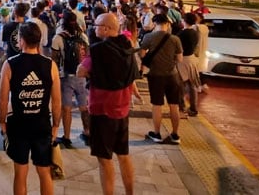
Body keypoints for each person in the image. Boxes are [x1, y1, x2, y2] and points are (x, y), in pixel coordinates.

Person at [0, 22, 62, 195]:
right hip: (41, 123)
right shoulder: (50, 65)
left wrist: (2, 122)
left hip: (18, 124)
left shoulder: (10, 64)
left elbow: (3, 98)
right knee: (44, 172)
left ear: (22, 40)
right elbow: (57, 100)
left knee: (20, 172)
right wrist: (56, 125)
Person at [77, 13, 137, 195]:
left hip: (102, 110)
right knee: (123, 155)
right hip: (122, 109)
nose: (94, 29)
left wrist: (90, 72)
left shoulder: (98, 51)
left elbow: (81, 71)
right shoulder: (127, 45)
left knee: (104, 160)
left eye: (96, 25)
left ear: (106, 28)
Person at [139, 14, 183, 144]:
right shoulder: (175, 39)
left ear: (154, 24)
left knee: (157, 105)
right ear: (168, 24)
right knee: (174, 105)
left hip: (156, 75)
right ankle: (175, 135)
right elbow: (180, 59)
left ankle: (157, 134)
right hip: (172, 75)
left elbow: (142, 54)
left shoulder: (149, 37)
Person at [51, 10, 90, 147]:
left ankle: (66, 137)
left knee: (66, 108)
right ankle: (87, 132)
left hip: (66, 77)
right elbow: (88, 56)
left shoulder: (58, 38)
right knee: (84, 106)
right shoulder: (83, 37)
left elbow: (54, 60)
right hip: (81, 76)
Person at [176, 13, 201, 117]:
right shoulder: (195, 33)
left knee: (180, 85)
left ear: (184, 21)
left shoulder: (182, 34)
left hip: (182, 60)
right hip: (191, 59)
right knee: (192, 85)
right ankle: (193, 108)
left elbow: (177, 48)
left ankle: (181, 107)